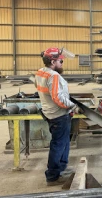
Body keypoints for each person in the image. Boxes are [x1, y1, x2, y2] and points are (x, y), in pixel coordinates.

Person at [34, 47, 81, 186]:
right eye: (61, 61)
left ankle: (61, 168)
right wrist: (73, 106)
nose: (62, 63)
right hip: (58, 116)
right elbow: (58, 99)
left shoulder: (41, 72)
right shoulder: (54, 76)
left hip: (50, 113)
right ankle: (53, 176)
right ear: (53, 61)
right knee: (59, 144)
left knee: (63, 142)